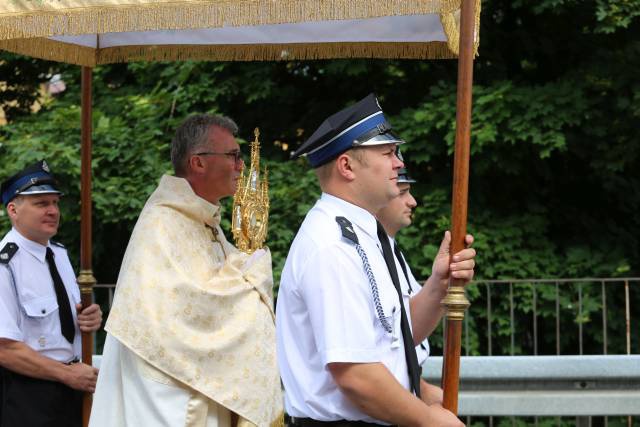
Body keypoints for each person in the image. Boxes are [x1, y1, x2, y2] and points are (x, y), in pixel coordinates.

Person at [276, 94, 476, 427]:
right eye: (387, 153)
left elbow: (397, 334)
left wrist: (439, 285)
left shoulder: (364, 234)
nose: (399, 163)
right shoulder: (332, 246)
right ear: (347, 166)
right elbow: (357, 374)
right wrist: (428, 421)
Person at [90, 115, 283, 427]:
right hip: (169, 390)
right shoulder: (161, 223)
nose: (240, 166)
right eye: (233, 156)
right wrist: (253, 274)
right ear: (198, 163)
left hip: (201, 381)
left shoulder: (204, 220)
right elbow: (188, 312)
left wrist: (245, 272)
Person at [0, 160, 102, 427]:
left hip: (72, 388)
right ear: (13, 210)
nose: (53, 211)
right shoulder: (5, 266)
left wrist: (89, 318)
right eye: (41, 203)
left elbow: (65, 322)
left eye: (55, 203)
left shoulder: (58, 254)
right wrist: (67, 375)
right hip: (29, 397)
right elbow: (5, 349)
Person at [376, 162, 443, 403]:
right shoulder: (362, 255)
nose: (412, 201)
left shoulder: (392, 251)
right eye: (402, 192)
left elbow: (407, 330)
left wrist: (420, 388)